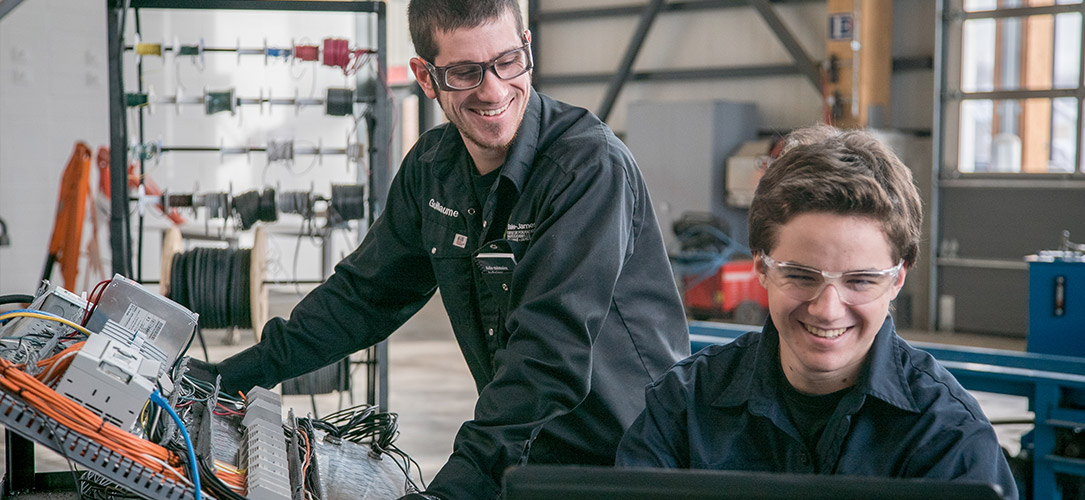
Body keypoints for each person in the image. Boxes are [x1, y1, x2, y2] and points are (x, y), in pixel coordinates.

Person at [198, 0, 691, 498]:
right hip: (526, 454)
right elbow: (363, 297)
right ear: (426, 77)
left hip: (634, 461)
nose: (493, 90)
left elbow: (547, 357)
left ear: (527, 49)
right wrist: (226, 378)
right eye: (465, 72)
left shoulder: (586, 169)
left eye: (507, 62)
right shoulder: (433, 169)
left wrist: (453, 489)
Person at [614, 125, 1018, 499]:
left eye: (860, 281)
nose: (827, 309)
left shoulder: (948, 437)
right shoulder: (683, 407)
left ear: (898, 278)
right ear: (761, 267)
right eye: (801, 276)